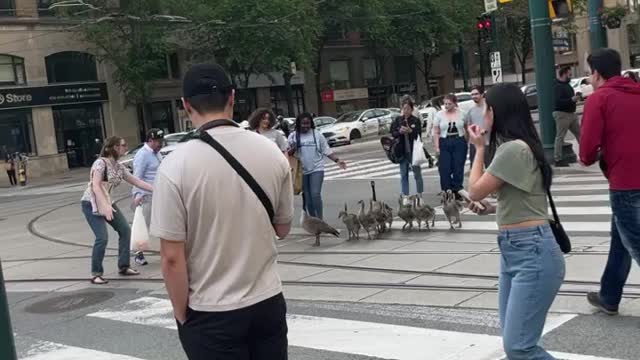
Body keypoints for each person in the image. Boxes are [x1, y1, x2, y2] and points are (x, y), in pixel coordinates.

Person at [150, 63, 294, 359]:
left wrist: (182, 315)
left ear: (186, 105)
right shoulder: (272, 154)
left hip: (211, 310)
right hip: (267, 301)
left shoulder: (174, 167)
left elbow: (172, 258)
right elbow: (282, 228)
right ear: (232, 97)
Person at [467, 83, 565, 360]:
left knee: (519, 347)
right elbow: (523, 200)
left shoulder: (512, 150)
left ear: (496, 112)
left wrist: (478, 149)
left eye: (486, 109)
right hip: (516, 250)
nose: (482, 115)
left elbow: (474, 189)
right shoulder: (519, 147)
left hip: (531, 251)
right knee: (517, 344)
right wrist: (491, 208)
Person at [579, 48, 640, 315]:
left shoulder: (600, 98)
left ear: (597, 73)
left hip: (625, 183)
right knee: (621, 238)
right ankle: (609, 295)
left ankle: (609, 296)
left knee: (635, 241)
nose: (588, 78)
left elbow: (586, 152)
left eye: (588, 73)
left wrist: (593, 155)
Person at [80, 136, 154, 285]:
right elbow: (95, 185)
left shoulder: (119, 166)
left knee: (125, 230)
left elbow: (136, 181)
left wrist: (157, 189)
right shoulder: (100, 163)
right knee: (102, 237)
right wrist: (105, 207)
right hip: (91, 203)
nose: (126, 148)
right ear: (114, 148)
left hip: (107, 201)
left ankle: (124, 266)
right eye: (123, 145)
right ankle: (96, 273)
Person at [288, 112, 346, 220]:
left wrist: (337, 160)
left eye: (308, 123)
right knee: (308, 197)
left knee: (315, 194)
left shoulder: (317, 134)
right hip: (301, 171)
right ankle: (314, 220)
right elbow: (287, 154)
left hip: (317, 168)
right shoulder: (293, 135)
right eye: (303, 123)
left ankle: (320, 219)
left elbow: (326, 150)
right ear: (298, 123)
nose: (305, 126)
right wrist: (294, 147)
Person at [131, 128, 165, 266]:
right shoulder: (142, 155)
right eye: (158, 141)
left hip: (158, 195)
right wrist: (137, 194)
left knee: (162, 224)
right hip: (146, 197)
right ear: (150, 140)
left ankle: (166, 250)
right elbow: (136, 177)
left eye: (161, 141)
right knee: (143, 226)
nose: (160, 144)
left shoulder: (156, 154)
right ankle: (138, 254)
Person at [434, 94, 468, 198]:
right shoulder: (439, 115)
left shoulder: (462, 114)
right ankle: (446, 190)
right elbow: (436, 132)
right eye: (445, 104)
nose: (447, 106)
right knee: (445, 168)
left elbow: (467, 128)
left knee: (458, 166)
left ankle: (457, 189)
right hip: (444, 141)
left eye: (449, 104)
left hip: (459, 140)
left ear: (454, 103)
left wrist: (467, 141)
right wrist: (437, 147)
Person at [391, 96, 424, 196]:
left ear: (412, 109)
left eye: (408, 109)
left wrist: (411, 131)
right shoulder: (398, 120)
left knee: (417, 174)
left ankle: (420, 194)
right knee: (403, 175)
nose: (406, 111)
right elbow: (393, 133)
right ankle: (405, 195)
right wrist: (399, 132)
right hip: (402, 151)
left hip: (414, 152)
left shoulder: (415, 120)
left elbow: (418, 135)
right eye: (404, 109)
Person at [553, 66, 580, 167]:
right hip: (562, 114)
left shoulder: (568, 86)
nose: (570, 76)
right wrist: (571, 100)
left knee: (580, 134)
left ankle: (586, 154)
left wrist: (574, 99)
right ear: (564, 74)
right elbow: (558, 102)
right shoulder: (557, 86)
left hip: (571, 113)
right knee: (560, 136)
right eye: (569, 74)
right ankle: (558, 159)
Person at [463, 86, 490, 167]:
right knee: (475, 169)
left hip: (488, 144)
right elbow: (468, 127)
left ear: (482, 94)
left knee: (489, 169)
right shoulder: (471, 111)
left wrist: (485, 130)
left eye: (476, 94)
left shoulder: (489, 108)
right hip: (474, 144)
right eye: (472, 94)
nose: (474, 96)